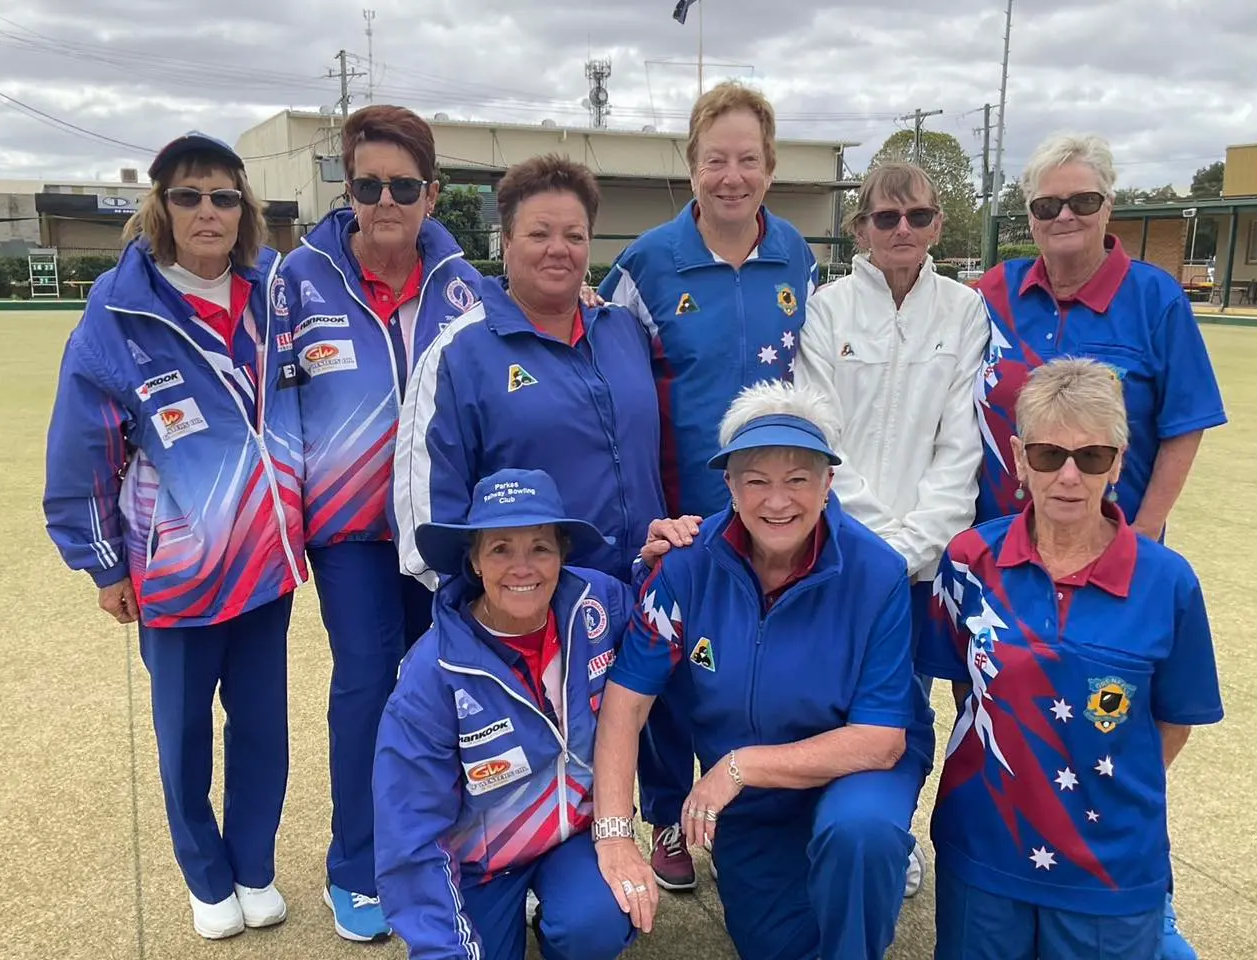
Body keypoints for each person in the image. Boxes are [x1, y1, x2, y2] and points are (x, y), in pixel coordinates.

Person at [42, 132, 304, 940]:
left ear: (244, 211)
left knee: (262, 728)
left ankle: (253, 865)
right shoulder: (119, 313)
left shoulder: (273, 297)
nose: (207, 211)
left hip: (265, 563)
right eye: (188, 195)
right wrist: (101, 565)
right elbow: (83, 447)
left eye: (224, 196)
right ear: (160, 206)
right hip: (178, 576)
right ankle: (206, 876)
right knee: (184, 733)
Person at [972, 133, 1227, 958]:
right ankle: (1008, 860)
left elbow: (1184, 422)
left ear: (1109, 206)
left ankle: (1144, 904)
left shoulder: (1155, 300)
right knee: (997, 707)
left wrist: (1142, 533)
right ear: (1030, 216)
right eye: (1047, 205)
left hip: (1113, 554)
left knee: (1115, 730)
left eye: (1082, 200)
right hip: (1009, 560)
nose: (1065, 217)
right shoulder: (993, 295)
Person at [590, 381, 934, 960]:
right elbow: (626, 703)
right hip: (752, 802)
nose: (778, 501)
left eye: (798, 478)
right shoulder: (685, 566)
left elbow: (879, 741)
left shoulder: (877, 573)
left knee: (858, 835)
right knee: (774, 943)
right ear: (729, 484)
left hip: (852, 774)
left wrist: (738, 767)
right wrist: (615, 835)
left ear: (828, 483)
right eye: (757, 480)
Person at [918, 358, 1224, 960]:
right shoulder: (968, 559)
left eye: (1091, 457)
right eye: (1047, 454)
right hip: (984, 850)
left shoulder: (1167, 582)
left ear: (1118, 463)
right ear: (1016, 457)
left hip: (1109, 868)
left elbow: (1174, 723)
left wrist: (1093, 793)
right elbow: (963, 688)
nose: (1068, 476)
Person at [596, 81, 818, 890]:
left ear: (770, 167)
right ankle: (665, 817)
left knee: (757, 665)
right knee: (666, 667)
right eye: (716, 159)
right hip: (676, 511)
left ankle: (750, 809)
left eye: (748, 159)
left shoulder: (798, 254)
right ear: (691, 166)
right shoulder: (647, 262)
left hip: (777, 512)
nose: (733, 175)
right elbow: (600, 367)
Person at [278, 104, 483, 942]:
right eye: (369, 184)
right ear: (349, 188)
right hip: (352, 532)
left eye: (403, 185)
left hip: (438, 529)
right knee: (367, 683)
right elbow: (272, 407)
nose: (386, 199)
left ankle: (455, 849)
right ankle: (356, 864)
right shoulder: (297, 279)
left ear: (430, 194)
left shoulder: (467, 283)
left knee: (452, 684)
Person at [795, 161, 988, 895]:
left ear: (940, 224)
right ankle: (810, 821)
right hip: (836, 549)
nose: (902, 230)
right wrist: (875, 546)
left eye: (918, 217)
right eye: (886, 218)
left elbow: (960, 446)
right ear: (861, 230)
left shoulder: (965, 312)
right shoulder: (828, 308)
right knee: (820, 691)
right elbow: (821, 437)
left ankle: (890, 831)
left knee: (902, 704)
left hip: (918, 568)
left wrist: (910, 550)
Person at [373, 468, 647, 960]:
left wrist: (670, 558)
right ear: (475, 561)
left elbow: (660, 612)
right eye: (500, 548)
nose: (523, 567)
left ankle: (562, 924)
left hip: (574, 839)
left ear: (563, 553)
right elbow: (408, 833)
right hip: (480, 865)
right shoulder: (431, 673)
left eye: (540, 547)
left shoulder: (599, 605)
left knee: (599, 919)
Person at [393, 155, 664, 590]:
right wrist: (489, 612)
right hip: (532, 618)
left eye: (574, 236)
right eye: (539, 233)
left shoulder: (624, 330)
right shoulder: (458, 353)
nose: (558, 248)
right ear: (506, 241)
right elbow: (426, 517)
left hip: (643, 598)